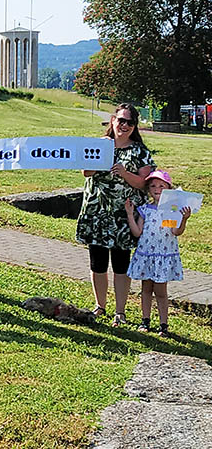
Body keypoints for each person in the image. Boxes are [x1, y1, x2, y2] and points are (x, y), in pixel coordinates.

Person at [76, 102, 154, 326]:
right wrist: (102, 158)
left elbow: (144, 183)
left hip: (124, 216)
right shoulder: (100, 144)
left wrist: (124, 172)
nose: (125, 125)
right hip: (97, 212)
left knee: (121, 265)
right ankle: (100, 305)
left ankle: (120, 311)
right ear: (113, 120)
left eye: (130, 122)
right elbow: (85, 171)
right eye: (121, 120)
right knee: (97, 263)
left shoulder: (140, 151)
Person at [125, 170, 191, 337]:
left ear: (169, 188)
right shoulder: (145, 210)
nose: (157, 188)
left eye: (162, 185)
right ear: (148, 188)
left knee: (161, 292)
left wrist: (184, 219)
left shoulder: (172, 210)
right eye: (153, 185)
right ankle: (145, 320)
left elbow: (176, 231)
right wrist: (129, 215)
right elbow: (137, 232)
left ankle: (163, 325)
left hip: (163, 256)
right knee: (146, 289)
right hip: (146, 255)